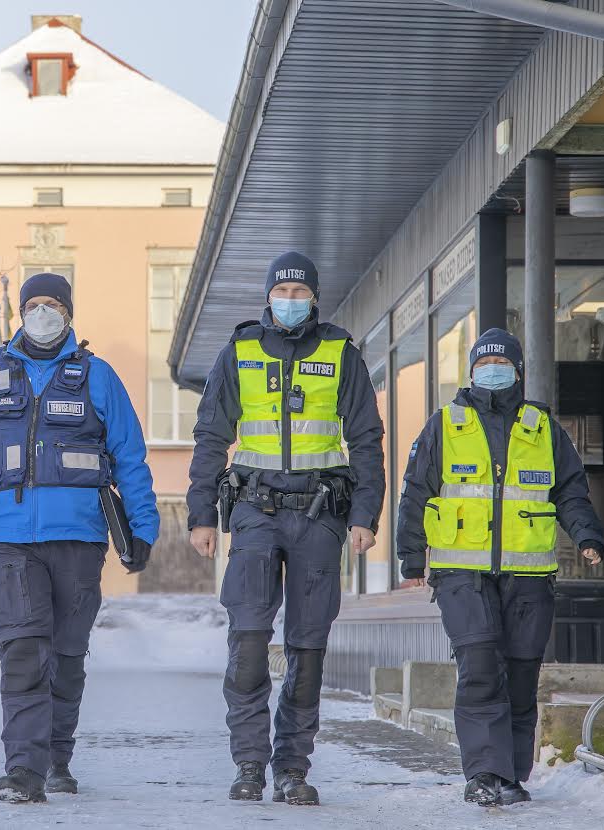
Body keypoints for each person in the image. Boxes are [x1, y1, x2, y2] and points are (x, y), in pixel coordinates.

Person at [0, 272, 160, 804]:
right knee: (22, 649)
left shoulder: (98, 376)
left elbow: (130, 456)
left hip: (79, 538)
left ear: (69, 313)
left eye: (53, 304)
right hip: (7, 539)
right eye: (34, 304)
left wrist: (143, 527)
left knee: (65, 655)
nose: (43, 313)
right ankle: (23, 769)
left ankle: (56, 755)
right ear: (20, 312)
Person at [187, 251, 384, 806]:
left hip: (320, 515)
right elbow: (210, 437)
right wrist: (201, 514)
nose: (291, 301)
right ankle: (250, 762)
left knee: (308, 645)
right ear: (268, 295)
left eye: (301, 293)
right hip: (252, 512)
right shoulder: (241, 351)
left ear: (315, 298)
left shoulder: (341, 352)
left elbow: (367, 438)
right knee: (249, 638)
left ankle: (293, 766)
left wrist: (366, 515)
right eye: (283, 292)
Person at [395, 327, 604, 807]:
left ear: (517, 371)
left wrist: (587, 535)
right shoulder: (443, 425)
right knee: (481, 665)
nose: (493, 371)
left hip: (529, 574)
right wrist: (412, 557)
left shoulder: (543, 428)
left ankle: (511, 773)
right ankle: (483, 774)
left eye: (502, 364)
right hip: (460, 573)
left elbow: (571, 490)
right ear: (471, 372)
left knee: (521, 671)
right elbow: (415, 494)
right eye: (484, 364)